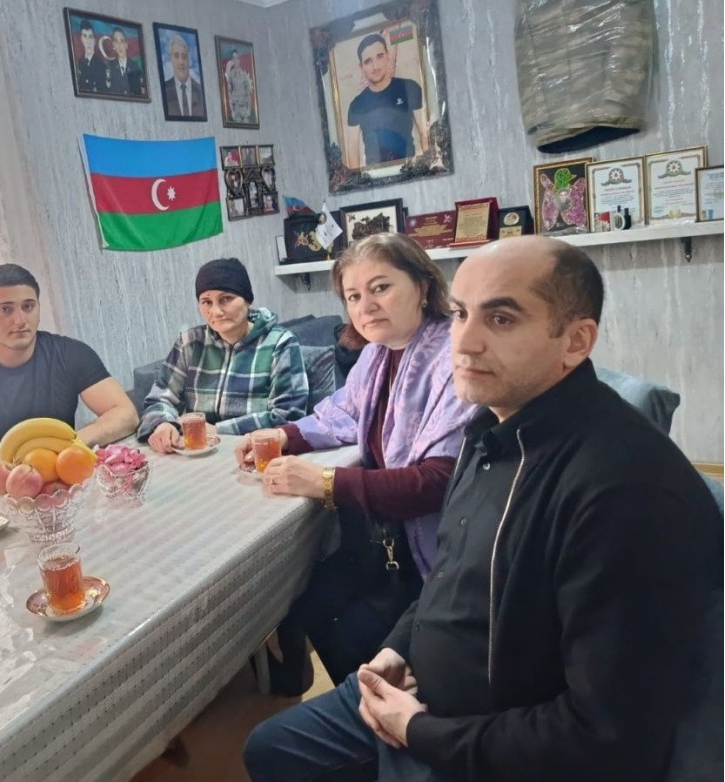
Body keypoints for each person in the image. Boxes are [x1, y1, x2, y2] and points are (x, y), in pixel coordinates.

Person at [244, 235, 721, 782]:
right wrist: (398, 649)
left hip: (486, 737)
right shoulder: (490, 428)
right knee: (270, 748)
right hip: (426, 688)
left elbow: (606, 736)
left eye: (500, 319)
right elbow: (450, 572)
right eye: (461, 314)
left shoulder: (625, 493)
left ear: (575, 340)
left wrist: (418, 731)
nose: (463, 344)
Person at [235, 233, 472, 693]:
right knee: (303, 602)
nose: (366, 306)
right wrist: (283, 436)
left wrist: (326, 482)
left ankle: (391, 702)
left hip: (439, 553)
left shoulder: (453, 358)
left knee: (341, 621)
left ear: (423, 286)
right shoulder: (378, 354)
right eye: (353, 296)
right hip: (385, 537)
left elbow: (437, 482)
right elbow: (343, 412)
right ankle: (359, 700)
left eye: (381, 287)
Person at [0, 264, 138, 493]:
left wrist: (71, 446)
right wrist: (28, 467)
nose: (20, 320)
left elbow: (126, 414)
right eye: (6, 310)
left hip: (65, 489)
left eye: (28, 306)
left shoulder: (70, 354)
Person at [139, 258, 309, 453]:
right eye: (206, 302)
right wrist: (162, 424)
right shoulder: (190, 343)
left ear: (247, 300)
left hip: (254, 451)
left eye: (226, 299)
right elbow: (159, 399)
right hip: (197, 451)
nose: (216, 311)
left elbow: (289, 416)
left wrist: (219, 430)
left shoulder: (280, 342)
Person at [345, 33, 429, 169]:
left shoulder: (409, 88)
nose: (375, 66)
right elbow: (352, 148)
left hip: (410, 170)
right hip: (375, 175)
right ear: (361, 67)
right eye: (368, 61)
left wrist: (428, 168)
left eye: (379, 56)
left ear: (388, 56)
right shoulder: (357, 105)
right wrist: (359, 179)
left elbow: (425, 133)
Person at [162, 34, 205, 118]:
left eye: (184, 56)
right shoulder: (165, 90)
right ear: (171, 59)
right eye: (176, 56)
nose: (181, 62)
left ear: (188, 59)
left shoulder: (200, 90)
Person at [106, 26, 144, 96]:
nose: (119, 45)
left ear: (126, 45)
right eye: (116, 41)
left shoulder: (135, 67)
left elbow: (139, 93)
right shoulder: (109, 66)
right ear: (113, 45)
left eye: (122, 41)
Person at [75, 20, 106, 94]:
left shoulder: (102, 66)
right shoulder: (78, 65)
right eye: (85, 36)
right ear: (81, 39)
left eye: (90, 37)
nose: (88, 41)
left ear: (94, 40)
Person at [224, 48, 255, 123]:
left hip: (244, 106)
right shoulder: (231, 75)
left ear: (239, 60)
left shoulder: (244, 75)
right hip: (236, 106)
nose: (236, 60)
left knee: (246, 123)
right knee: (237, 121)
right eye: (234, 58)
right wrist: (232, 110)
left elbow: (248, 93)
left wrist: (248, 108)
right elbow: (229, 92)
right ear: (232, 60)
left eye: (237, 58)